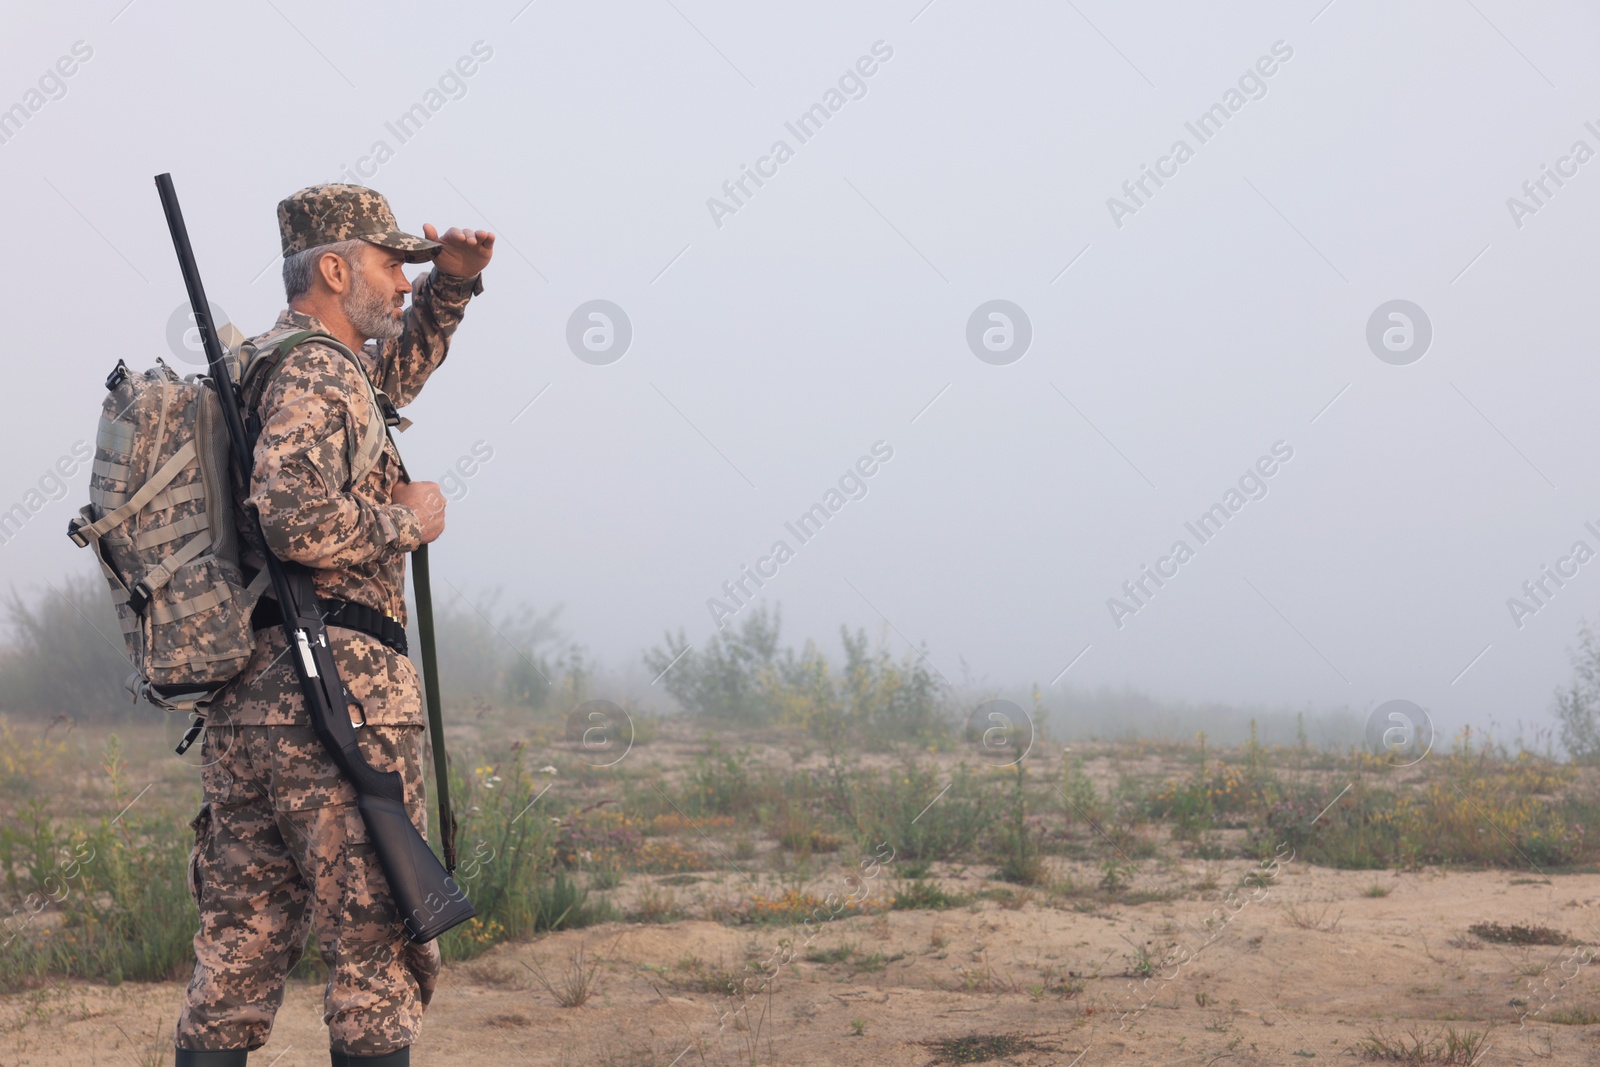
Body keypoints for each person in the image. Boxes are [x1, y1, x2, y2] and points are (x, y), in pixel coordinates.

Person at [173, 184, 494, 1067]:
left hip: (248, 709)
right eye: (393, 265)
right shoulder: (318, 371)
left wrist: (450, 289)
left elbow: (378, 384)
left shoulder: (273, 366)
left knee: (236, 957)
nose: (402, 280)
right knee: (377, 958)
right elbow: (291, 515)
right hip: (334, 703)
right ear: (333, 267)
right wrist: (408, 519)